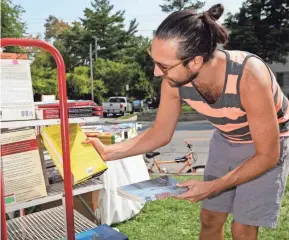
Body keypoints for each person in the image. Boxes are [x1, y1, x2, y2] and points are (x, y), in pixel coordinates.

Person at [84, 3, 289, 240]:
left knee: (242, 229)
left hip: (269, 144)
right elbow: (160, 132)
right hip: (227, 139)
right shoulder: (174, 80)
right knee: (210, 219)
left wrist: (213, 186)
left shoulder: (249, 75)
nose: (156, 73)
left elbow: (268, 155)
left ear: (195, 62)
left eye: (164, 65)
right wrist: (109, 152)